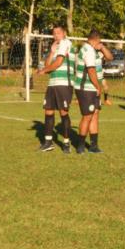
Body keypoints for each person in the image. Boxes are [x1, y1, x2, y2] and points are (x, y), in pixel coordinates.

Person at [35, 25, 75, 153]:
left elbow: (58, 63)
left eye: (58, 33)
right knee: (48, 111)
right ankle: (48, 142)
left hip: (64, 84)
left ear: (64, 33)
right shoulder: (56, 46)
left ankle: (66, 143)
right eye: (54, 33)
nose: (56, 35)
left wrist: (43, 71)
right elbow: (48, 64)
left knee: (63, 112)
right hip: (53, 83)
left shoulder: (66, 43)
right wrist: (51, 51)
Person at [73, 29, 112, 154]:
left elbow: (110, 58)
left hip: (92, 88)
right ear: (95, 40)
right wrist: (98, 87)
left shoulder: (93, 50)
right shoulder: (88, 51)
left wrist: (102, 47)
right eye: (99, 41)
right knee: (87, 116)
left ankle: (94, 146)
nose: (99, 43)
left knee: (95, 114)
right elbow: (90, 70)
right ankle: (80, 146)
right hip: (86, 88)